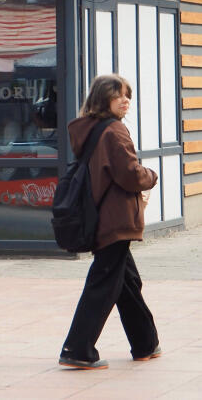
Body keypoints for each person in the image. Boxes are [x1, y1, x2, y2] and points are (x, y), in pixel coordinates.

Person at [59, 74, 161, 370]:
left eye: (127, 95)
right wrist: (151, 176)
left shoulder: (90, 128)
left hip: (101, 214)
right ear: (103, 99)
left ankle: (145, 343)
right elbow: (129, 174)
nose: (125, 100)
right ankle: (77, 349)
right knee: (103, 284)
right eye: (118, 95)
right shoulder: (114, 130)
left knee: (127, 282)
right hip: (115, 217)